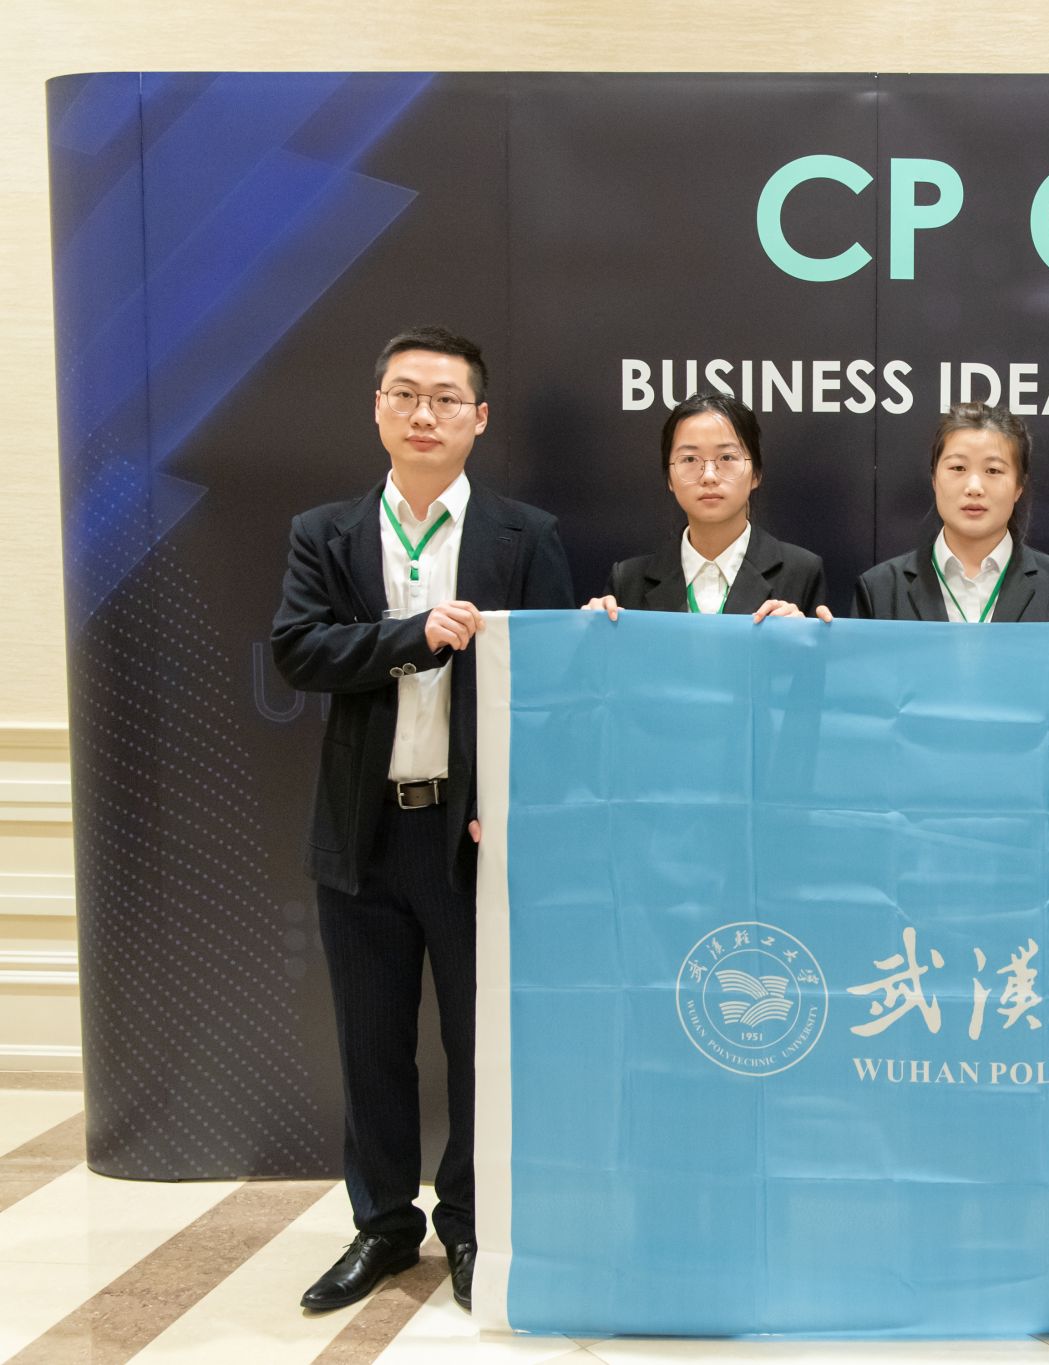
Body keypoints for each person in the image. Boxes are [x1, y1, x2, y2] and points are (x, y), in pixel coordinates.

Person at [271, 326, 574, 1314]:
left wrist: (510, 810)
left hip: (472, 836)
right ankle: (383, 1226)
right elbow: (299, 650)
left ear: (479, 418)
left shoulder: (525, 535)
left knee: (481, 1047)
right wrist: (411, 636)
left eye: (445, 399)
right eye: (404, 395)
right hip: (363, 832)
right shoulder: (326, 531)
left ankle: (471, 1224)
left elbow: (554, 690)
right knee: (371, 1045)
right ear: (377, 410)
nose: (424, 415)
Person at [852, 402, 1049, 625]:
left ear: (1019, 487)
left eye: (993, 471)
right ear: (934, 478)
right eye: (958, 468)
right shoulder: (880, 590)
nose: (974, 487)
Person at [584, 392, 825, 622]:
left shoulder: (801, 571)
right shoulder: (628, 580)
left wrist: (804, 638)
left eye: (727, 457)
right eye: (689, 459)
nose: (709, 476)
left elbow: (816, 651)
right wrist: (593, 634)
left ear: (756, 474)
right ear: (669, 478)